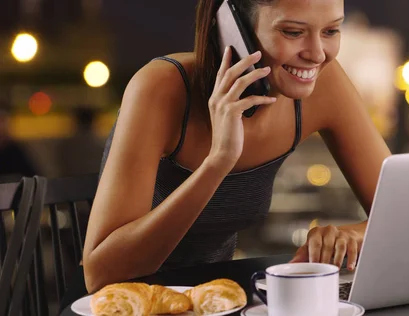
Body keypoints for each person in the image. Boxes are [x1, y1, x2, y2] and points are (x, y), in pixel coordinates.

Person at [82, 0, 391, 293]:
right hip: (129, 302)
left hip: (220, 297)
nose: (317, 54)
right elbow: (101, 275)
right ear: (233, 26)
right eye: (293, 32)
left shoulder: (325, 87)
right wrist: (218, 162)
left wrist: (355, 234)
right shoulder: (161, 87)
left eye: (331, 31)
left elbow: (404, 213)